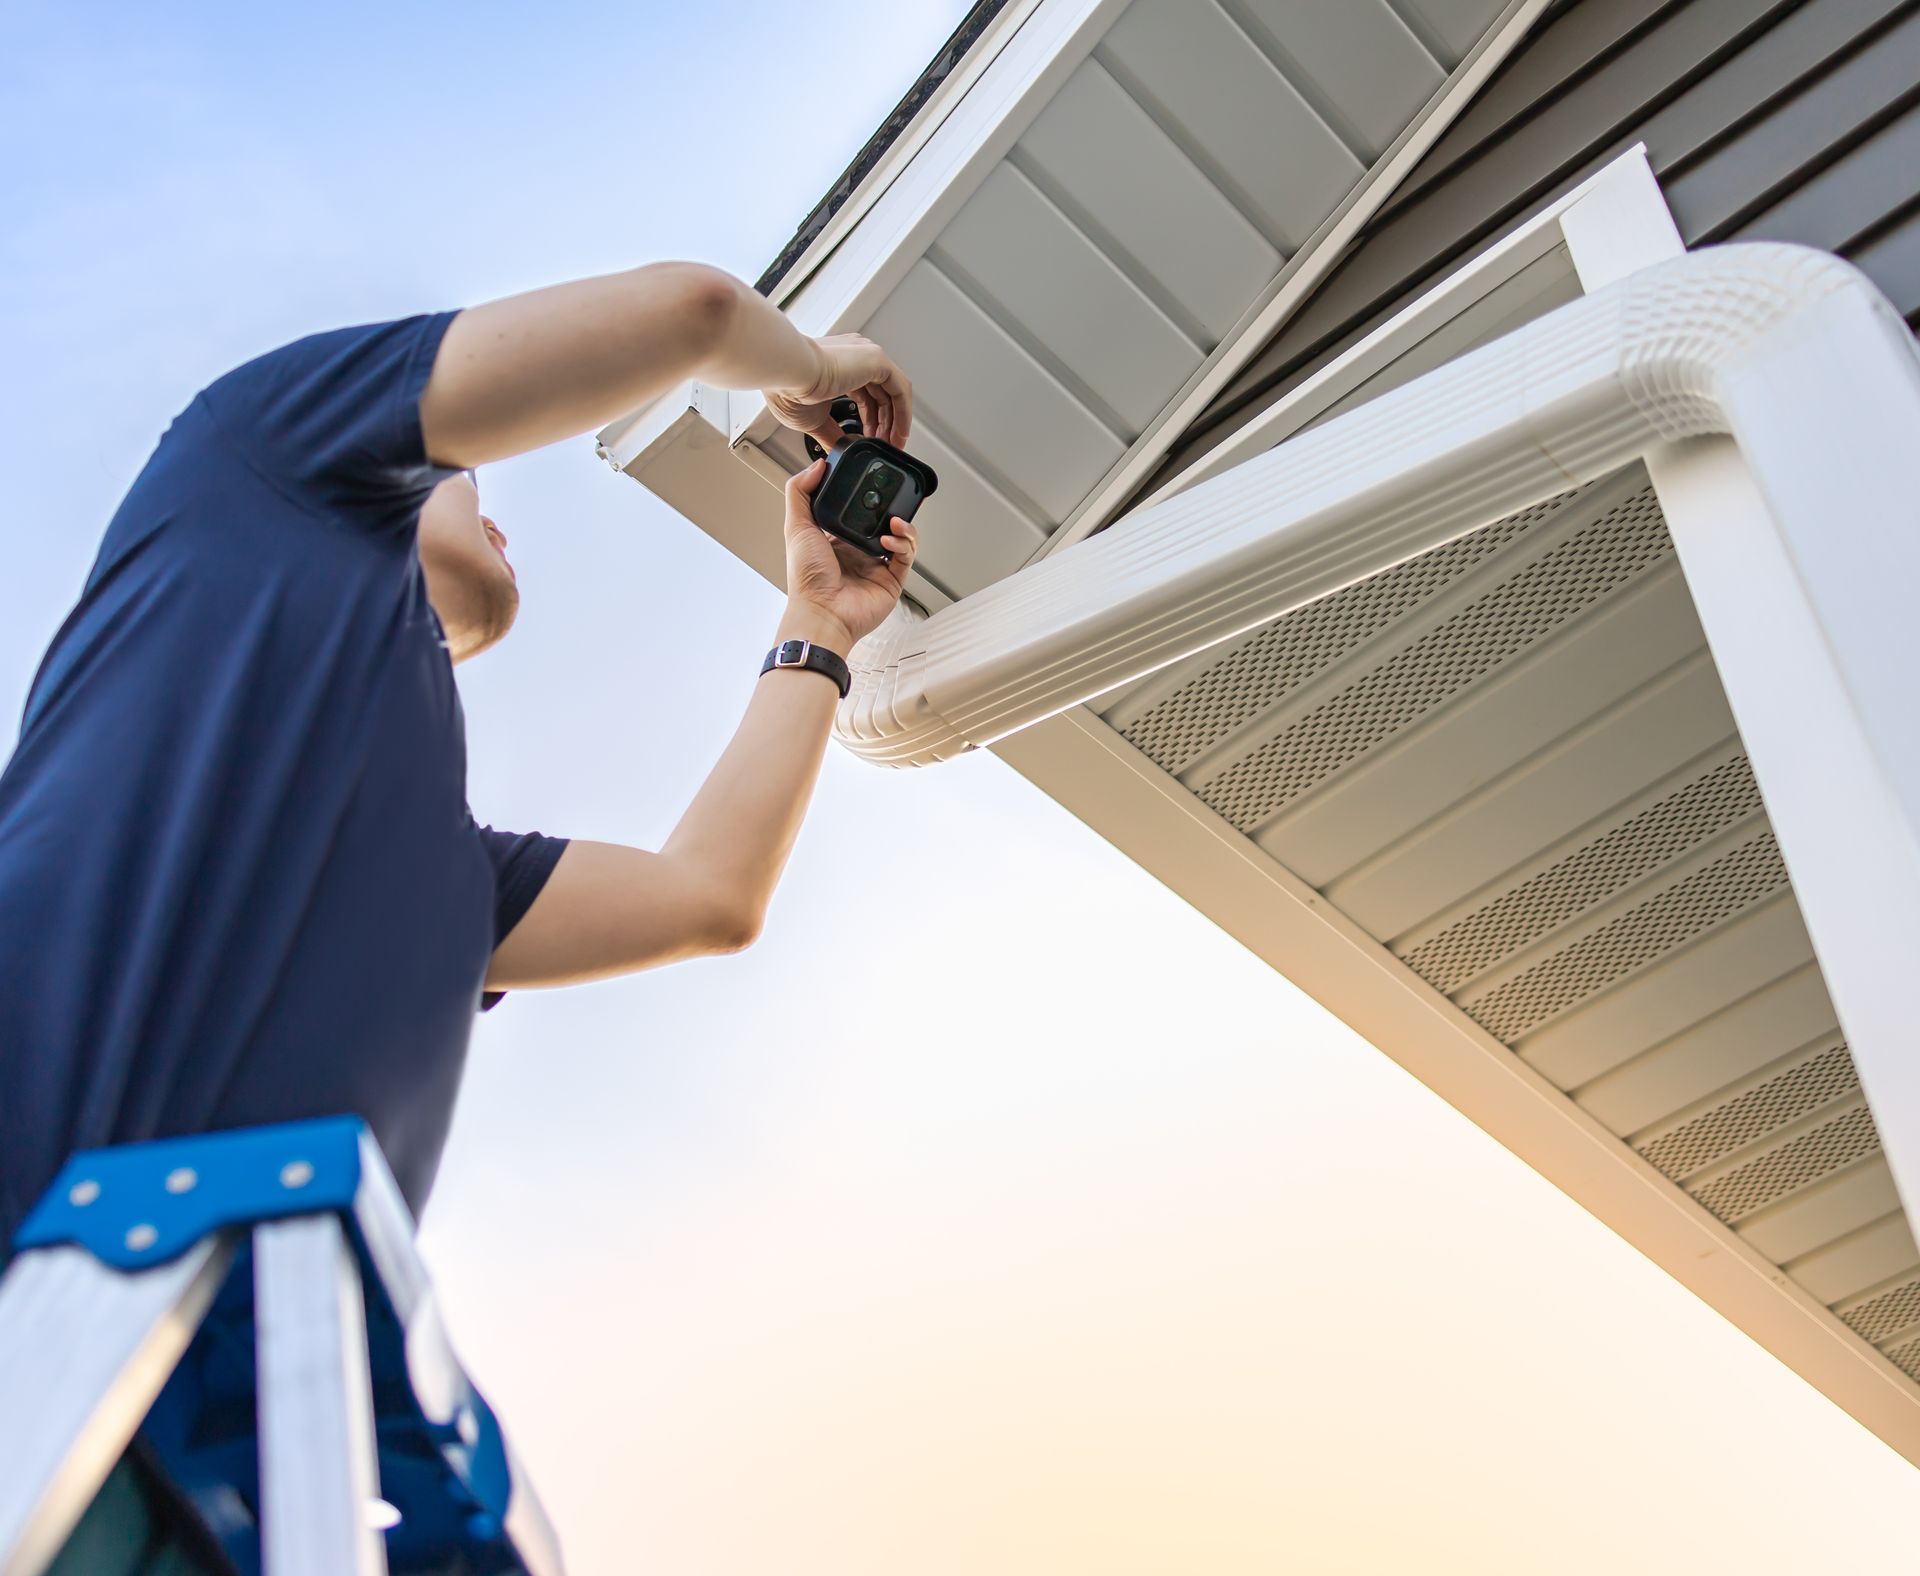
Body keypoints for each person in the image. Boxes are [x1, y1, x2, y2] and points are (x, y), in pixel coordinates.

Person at [0, 260, 920, 1253]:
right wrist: (815, 365)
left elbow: (709, 892)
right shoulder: (244, 450)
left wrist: (817, 621)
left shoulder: (437, 873)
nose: (495, 512)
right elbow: (694, 313)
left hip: (261, 1365)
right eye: (469, 471)